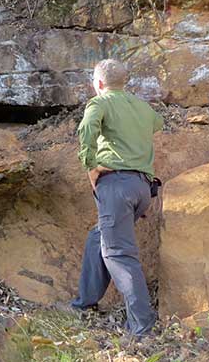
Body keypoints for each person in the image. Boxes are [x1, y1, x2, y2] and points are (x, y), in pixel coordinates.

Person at [70, 59, 163, 337]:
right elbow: (157, 124)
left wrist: (91, 165)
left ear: (98, 84)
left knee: (119, 255)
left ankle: (142, 328)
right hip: (142, 189)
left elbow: (86, 130)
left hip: (116, 188)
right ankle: (85, 303)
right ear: (125, 82)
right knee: (97, 239)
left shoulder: (100, 103)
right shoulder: (143, 107)